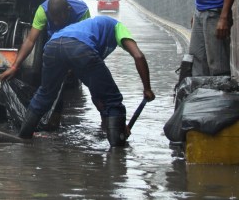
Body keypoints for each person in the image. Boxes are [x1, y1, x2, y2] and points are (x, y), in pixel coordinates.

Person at [18, 15, 155, 147]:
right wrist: (147, 88)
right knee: (113, 99)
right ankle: (117, 151)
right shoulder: (117, 26)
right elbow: (138, 56)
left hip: (52, 45)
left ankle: (23, 138)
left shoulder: (86, 29)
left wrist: (108, 122)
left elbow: (96, 92)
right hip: (79, 47)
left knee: (46, 93)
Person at [0, 0, 90, 81]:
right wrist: (15, 66)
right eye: (53, 19)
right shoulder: (42, 11)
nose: (55, 23)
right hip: (54, 39)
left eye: (59, 20)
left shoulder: (82, 12)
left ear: (68, 10)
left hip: (74, 37)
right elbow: (30, 40)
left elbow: (84, 42)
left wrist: (74, 64)